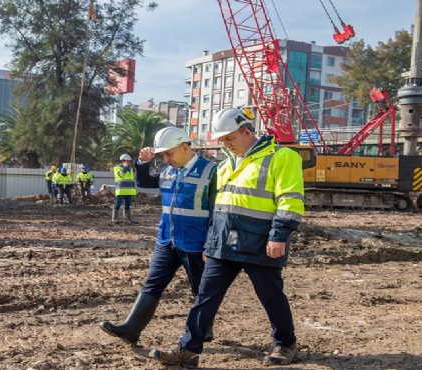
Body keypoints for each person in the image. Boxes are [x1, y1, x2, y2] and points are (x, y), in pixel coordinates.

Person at [149, 108, 305, 368]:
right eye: (222, 141)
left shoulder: (282, 157)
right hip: (223, 241)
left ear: (247, 132)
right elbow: (217, 208)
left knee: (270, 295)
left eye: (230, 138)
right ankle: (189, 349)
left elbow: (290, 199)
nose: (226, 145)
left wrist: (279, 236)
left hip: (260, 241)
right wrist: (210, 243)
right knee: (205, 296)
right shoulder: (224, 165)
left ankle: (285, 343)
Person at [100, 127, 218, 347]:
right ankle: (131, 329)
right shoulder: (168, 171)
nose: (165, 158)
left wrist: (210, 244)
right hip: (167, 240)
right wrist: (143, 162)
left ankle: (202, 331)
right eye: (163, 154)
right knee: (152, 284)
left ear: (185, 147)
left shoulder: (211, 171)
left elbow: (217, 212)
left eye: (169, 153)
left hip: (196, 242)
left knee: (199, 290)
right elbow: (144, 183)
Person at [111, 154, 137, 222]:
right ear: (122, 161)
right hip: (121, 190)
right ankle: (114, 218)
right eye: (127, 161)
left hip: (129, 191)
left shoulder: (130, 169)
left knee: (127, 205)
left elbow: (131, 180)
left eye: (129, 161)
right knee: (118, 204)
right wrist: (125, 168)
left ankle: (128, 219)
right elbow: (120, 175)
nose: (128, 162)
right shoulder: (117, 168)